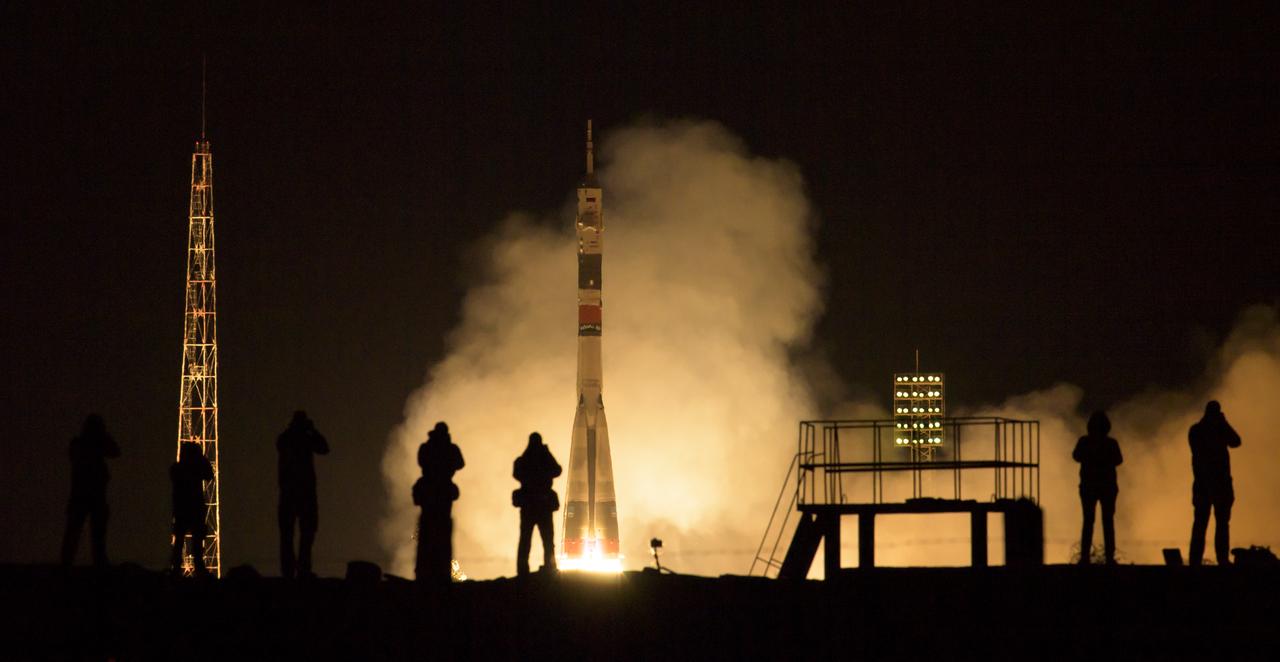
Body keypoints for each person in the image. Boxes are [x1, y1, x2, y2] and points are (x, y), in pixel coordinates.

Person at [60, 414, 121, 567]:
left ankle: (66, 565)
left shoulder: (78, 444)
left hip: (82, 495)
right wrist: (104, 438)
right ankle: (96, 565)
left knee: (76, 533)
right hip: (92, 496)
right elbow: (115, 451)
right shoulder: (88, 445)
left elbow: (115, 452)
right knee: (94, 534)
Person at [277, 410, 329, 579]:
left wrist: (304, 431)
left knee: (291, 536)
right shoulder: (300, 439)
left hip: (291, 494)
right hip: (303, 494)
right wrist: (311, 431)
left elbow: (324, 448)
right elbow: (323, 447)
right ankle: (300, 570)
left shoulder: (287, 438)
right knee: (303, 535)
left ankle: (290, 571)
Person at [1188, 400, 1242, 565]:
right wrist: (1223, 424)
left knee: (1208, 523)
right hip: (1215, 483)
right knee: (1213, 524)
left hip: (1210, 484)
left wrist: (1223, 425)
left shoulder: (1197, 430)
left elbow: (1236, 442)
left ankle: (1200, 560)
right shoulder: (1201, 430)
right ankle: (1215, 560)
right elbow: (1235, 441)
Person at [412, 421, 464, 583]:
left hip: (434, 490)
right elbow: (460, 463)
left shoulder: (428, 447)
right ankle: (433, 572)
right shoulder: (447, 448)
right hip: (439, 491)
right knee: (436, 530)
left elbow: (459, 463)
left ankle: (429, 571)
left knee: (431, 530)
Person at [1072, 411, 1123, 564]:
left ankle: (1085, 557)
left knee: (1088, 521)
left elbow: (1076, 456)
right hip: (1107, 486)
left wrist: (1091, 457)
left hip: (1088, 486)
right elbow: (1118, 460)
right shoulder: (1111, 443)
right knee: (1108, 521)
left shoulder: (1085, 442)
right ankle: (1109, 557)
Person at [513, 432, 562, 576]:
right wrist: (546, 453)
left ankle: (524, 570)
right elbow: (557, 470)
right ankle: (549, 567)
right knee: (546, 539)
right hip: (542, 503)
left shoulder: (524, 460)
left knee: (527, 539)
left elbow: (517, 473)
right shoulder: (541, 459)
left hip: (530, 504)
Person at [170, 441, 214, 577]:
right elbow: (209, 475)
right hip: (194, 508)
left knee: (179, 541)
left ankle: (176, 569)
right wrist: (202, 459)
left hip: (182, 509)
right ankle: (198, 569)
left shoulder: (176, 468)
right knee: (196, 541)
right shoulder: (194, 470)